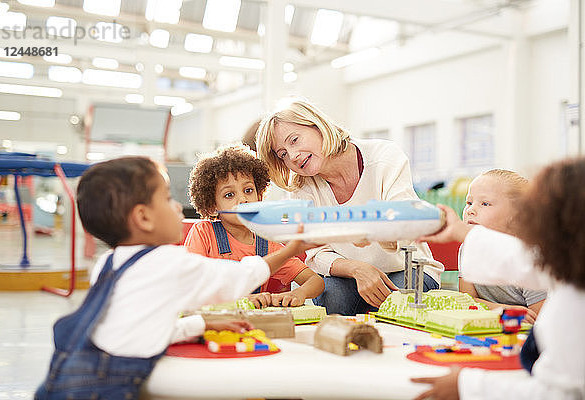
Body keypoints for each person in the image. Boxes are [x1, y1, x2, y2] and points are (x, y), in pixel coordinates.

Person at [35, 156, 314, 399]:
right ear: (144, 218)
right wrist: (291, 249)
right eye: (167, 198)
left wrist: (199, 324)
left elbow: (138, 329)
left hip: (62, 382)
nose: (178, 207)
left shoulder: (108, 263)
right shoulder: (166, 262)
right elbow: (238, 277)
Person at [411, 157, 585, 400]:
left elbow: (558, 394)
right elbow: (523, 261)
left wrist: (468, 386)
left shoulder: (573, 307)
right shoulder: (568, 267)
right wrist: (460, 231)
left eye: (539, 212)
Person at [255, 98, 440, 315]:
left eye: (294, 140)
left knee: (396, 303)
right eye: (283, 154)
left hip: (405, 267)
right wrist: (357, 268)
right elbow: (316, 254)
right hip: (351, 276)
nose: (293, 156)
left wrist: (379, 231)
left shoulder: (385, 156)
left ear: (317, 126)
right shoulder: (301, 188)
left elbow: (405, 223)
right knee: (332, 297)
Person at [185, 144, 324, 308]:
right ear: (212, 206)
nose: (243, 199)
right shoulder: (203, 233)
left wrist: (298, 293)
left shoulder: (267, 244)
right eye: (229, 195)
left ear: (259, 195)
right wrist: (238, 301)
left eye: (248, 190)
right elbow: (190, 285)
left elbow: (316, 281)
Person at [460, 169, 546, 324]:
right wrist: (502, 310)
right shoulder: (468, 247)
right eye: (469, 202)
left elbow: (541, 320)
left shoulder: (529, 257)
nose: (470, 210)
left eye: (485, 203)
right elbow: (467, 301)